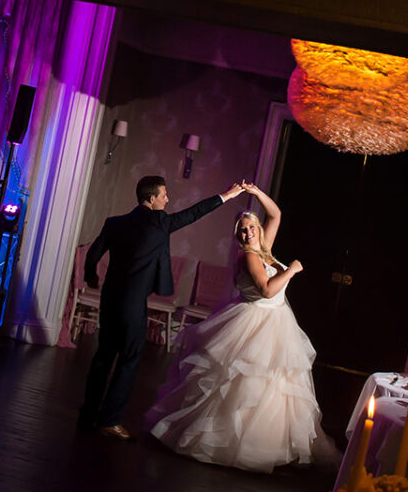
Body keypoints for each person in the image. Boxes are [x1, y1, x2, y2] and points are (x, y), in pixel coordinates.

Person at [145, 181, 341, 472]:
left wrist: (256, 193)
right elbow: (267, 290)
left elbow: (275, 215)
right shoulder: (248, 255)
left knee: (274, 387)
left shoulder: (264, 248)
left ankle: (267, 445)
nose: (247, 233)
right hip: (254, 323)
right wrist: (291, 270)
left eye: (250, 227)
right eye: (242, 230)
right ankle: (224, 443)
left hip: (276, 322)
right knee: (243, 384)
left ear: (258, 230)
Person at [79, 175, 246, 440]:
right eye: (164, 195)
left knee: (103, 357)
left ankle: (87, 416)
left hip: (110, 299)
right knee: (129, 360)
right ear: (151, 198)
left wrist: (91, 277)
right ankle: (109, 420)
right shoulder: (159, 222)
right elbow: (193, 213)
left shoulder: (114, 223)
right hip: (133, 304)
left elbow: (93, 253)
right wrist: (226, 196)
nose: (167, 200)